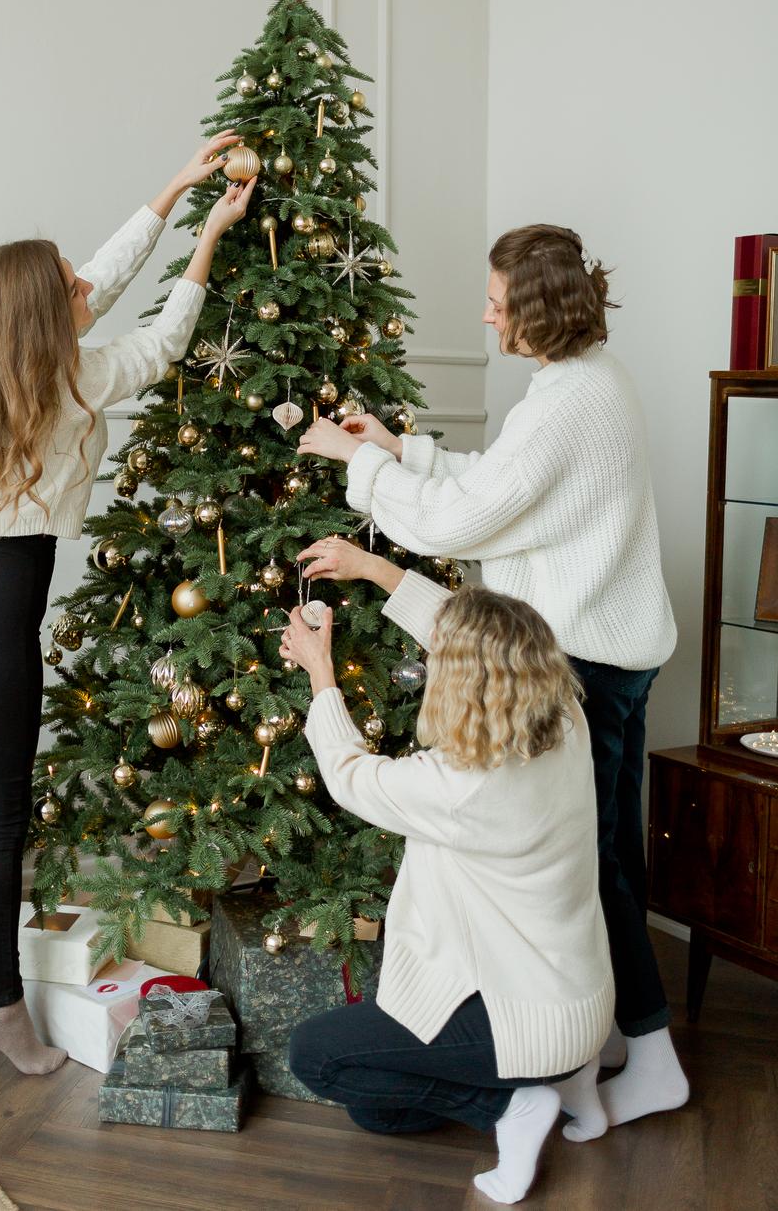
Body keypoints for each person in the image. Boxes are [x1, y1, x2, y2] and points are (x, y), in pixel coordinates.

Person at [296, 224, 688, 1130]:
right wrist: (402, 448)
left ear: (536, 310)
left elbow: (460, 524)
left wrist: (357, 462)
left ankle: (630, 1060)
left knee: (592, 873)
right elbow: (511, 483)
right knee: (609, 863)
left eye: (496, 301)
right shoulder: (589, 382)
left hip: (580, 658)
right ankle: (625, 1041)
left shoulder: (566, 402)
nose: (484, 313)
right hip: (618, 652)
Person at [0, 133, 254, 1073]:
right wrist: (210, 228)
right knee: (0, 817)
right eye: (70, 285)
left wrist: (170, 188)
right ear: (48, 316)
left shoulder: (11, 370)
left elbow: (100, 279)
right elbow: (167, 338)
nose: (85, 287)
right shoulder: (75, 382)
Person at [280, 578, 614, 1206]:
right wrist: (373, 568)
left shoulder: (459, 787)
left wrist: (320, 670)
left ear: (459, 679)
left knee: (320, 1058)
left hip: (524, 1026)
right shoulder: (565, 712)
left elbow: (349, 774)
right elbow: (480, 635)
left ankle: (510, 1105)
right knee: (376, 1113)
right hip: (582, 1004)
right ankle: (575, 1088)